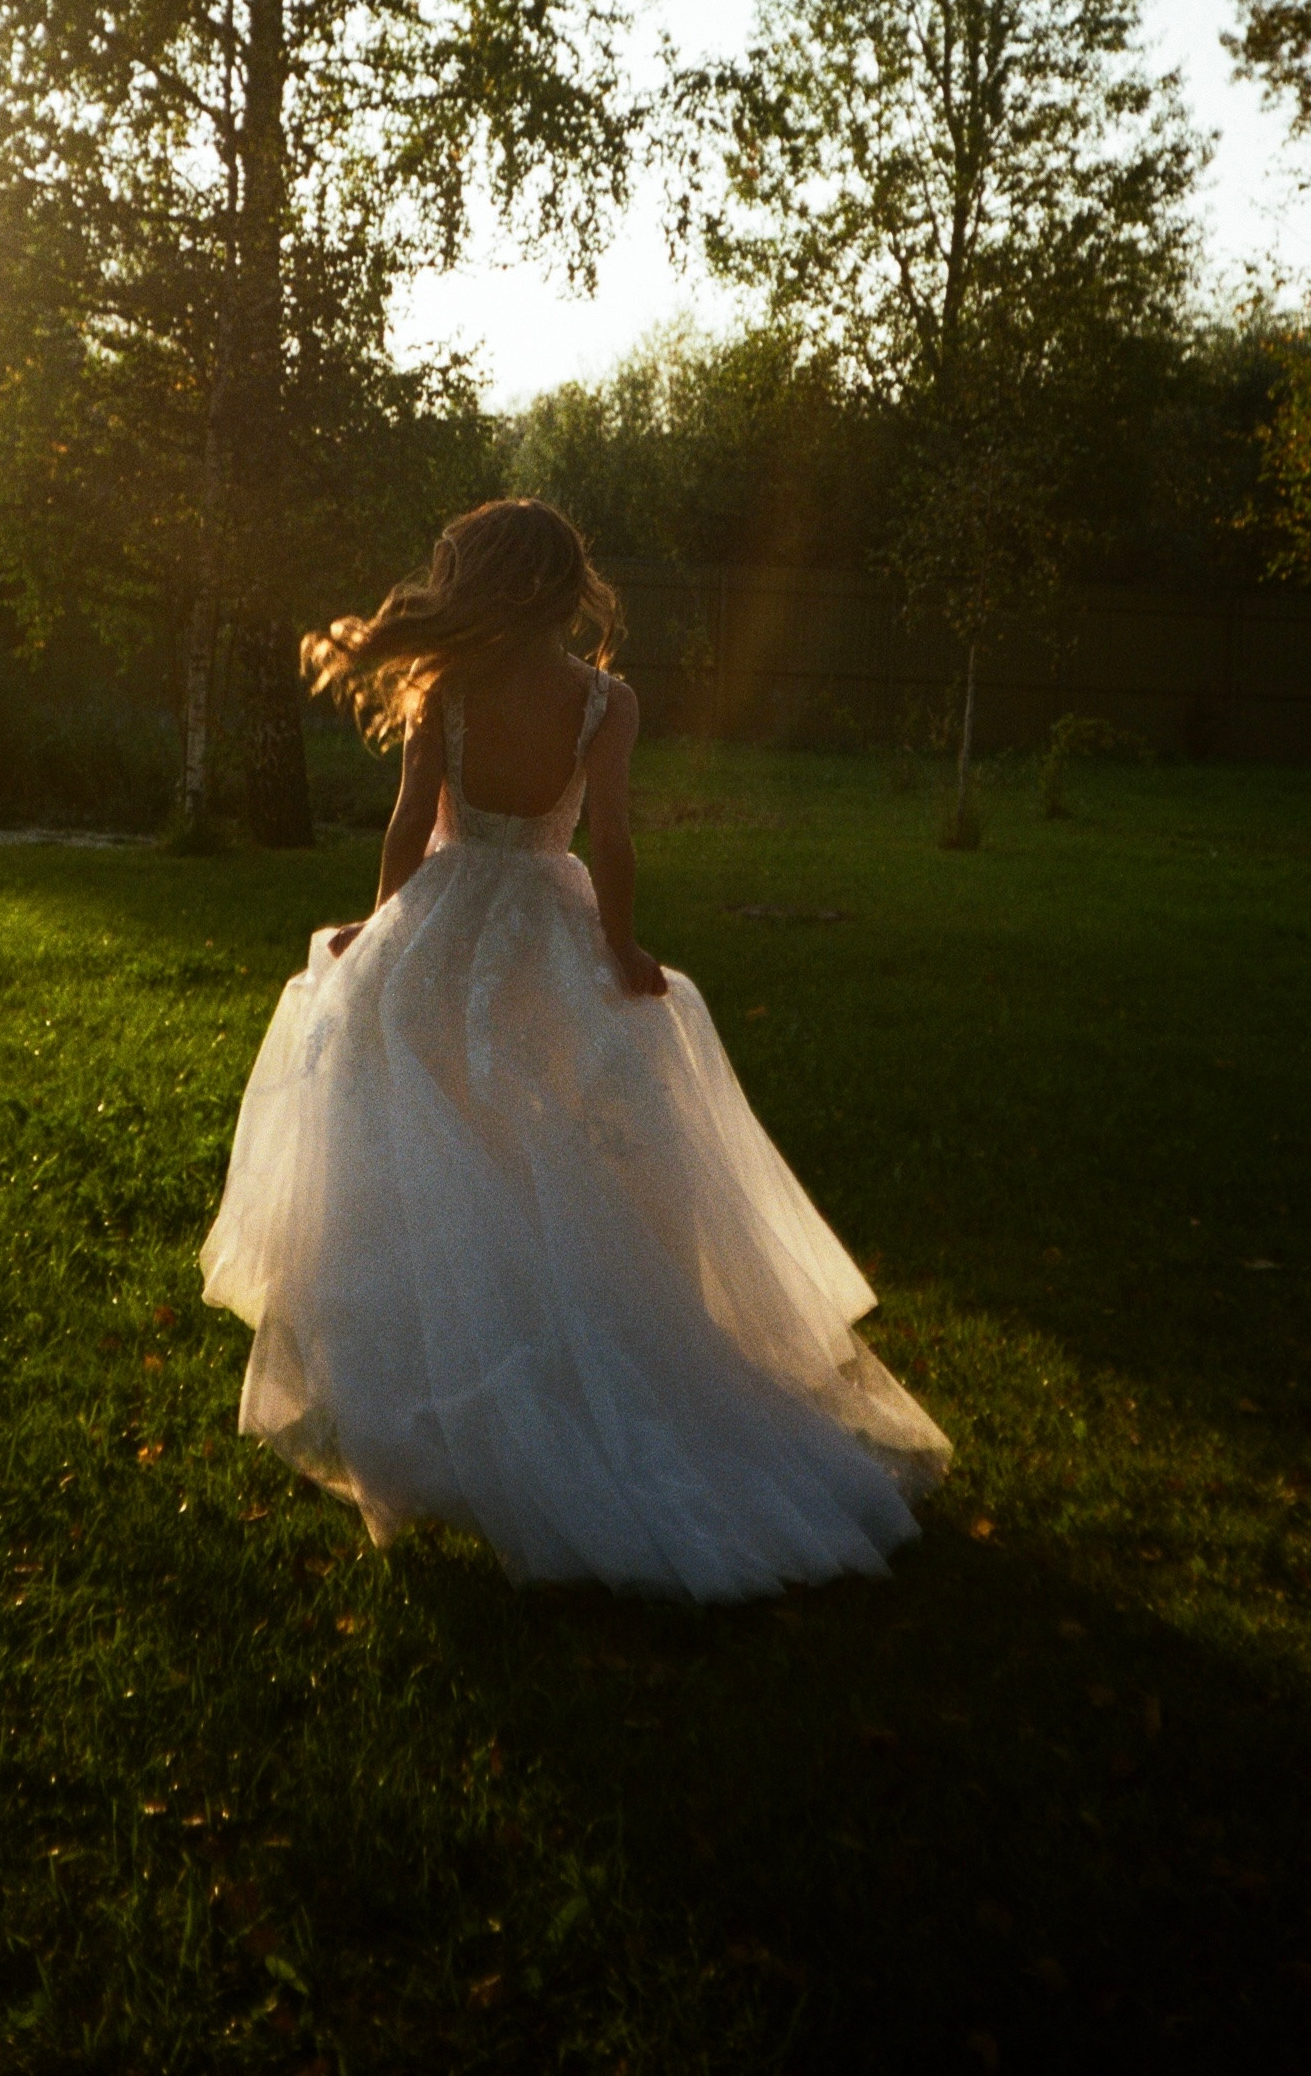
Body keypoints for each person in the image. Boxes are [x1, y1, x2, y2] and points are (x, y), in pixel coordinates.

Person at [199, 498, 949, 1602]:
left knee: (433, 1116)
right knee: (546, 1122)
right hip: (545, 920)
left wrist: (378, 924)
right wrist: (619, 945)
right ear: (563, 585)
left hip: (446, 919)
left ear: (480, 584)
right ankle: (545, 1326)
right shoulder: (605, 699)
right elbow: (610, 838)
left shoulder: (445, 684)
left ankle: (444, 1347)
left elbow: (412, 823)